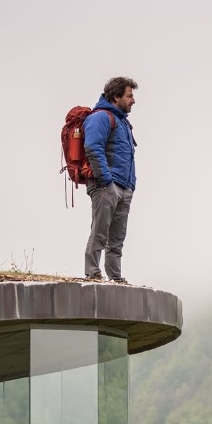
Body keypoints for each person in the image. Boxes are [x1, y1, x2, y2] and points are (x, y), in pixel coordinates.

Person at [82, 76, 138, 282]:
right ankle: (93, 272)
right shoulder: (101, 117)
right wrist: (106, 181)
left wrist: (130, 186)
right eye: (129, 96)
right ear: (116, 96)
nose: (133, 100)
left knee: (117, 239)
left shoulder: (123, 122)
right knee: (100, 232)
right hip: (107, 185)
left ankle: (115, 277)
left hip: (124, 187)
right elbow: (92, 147)